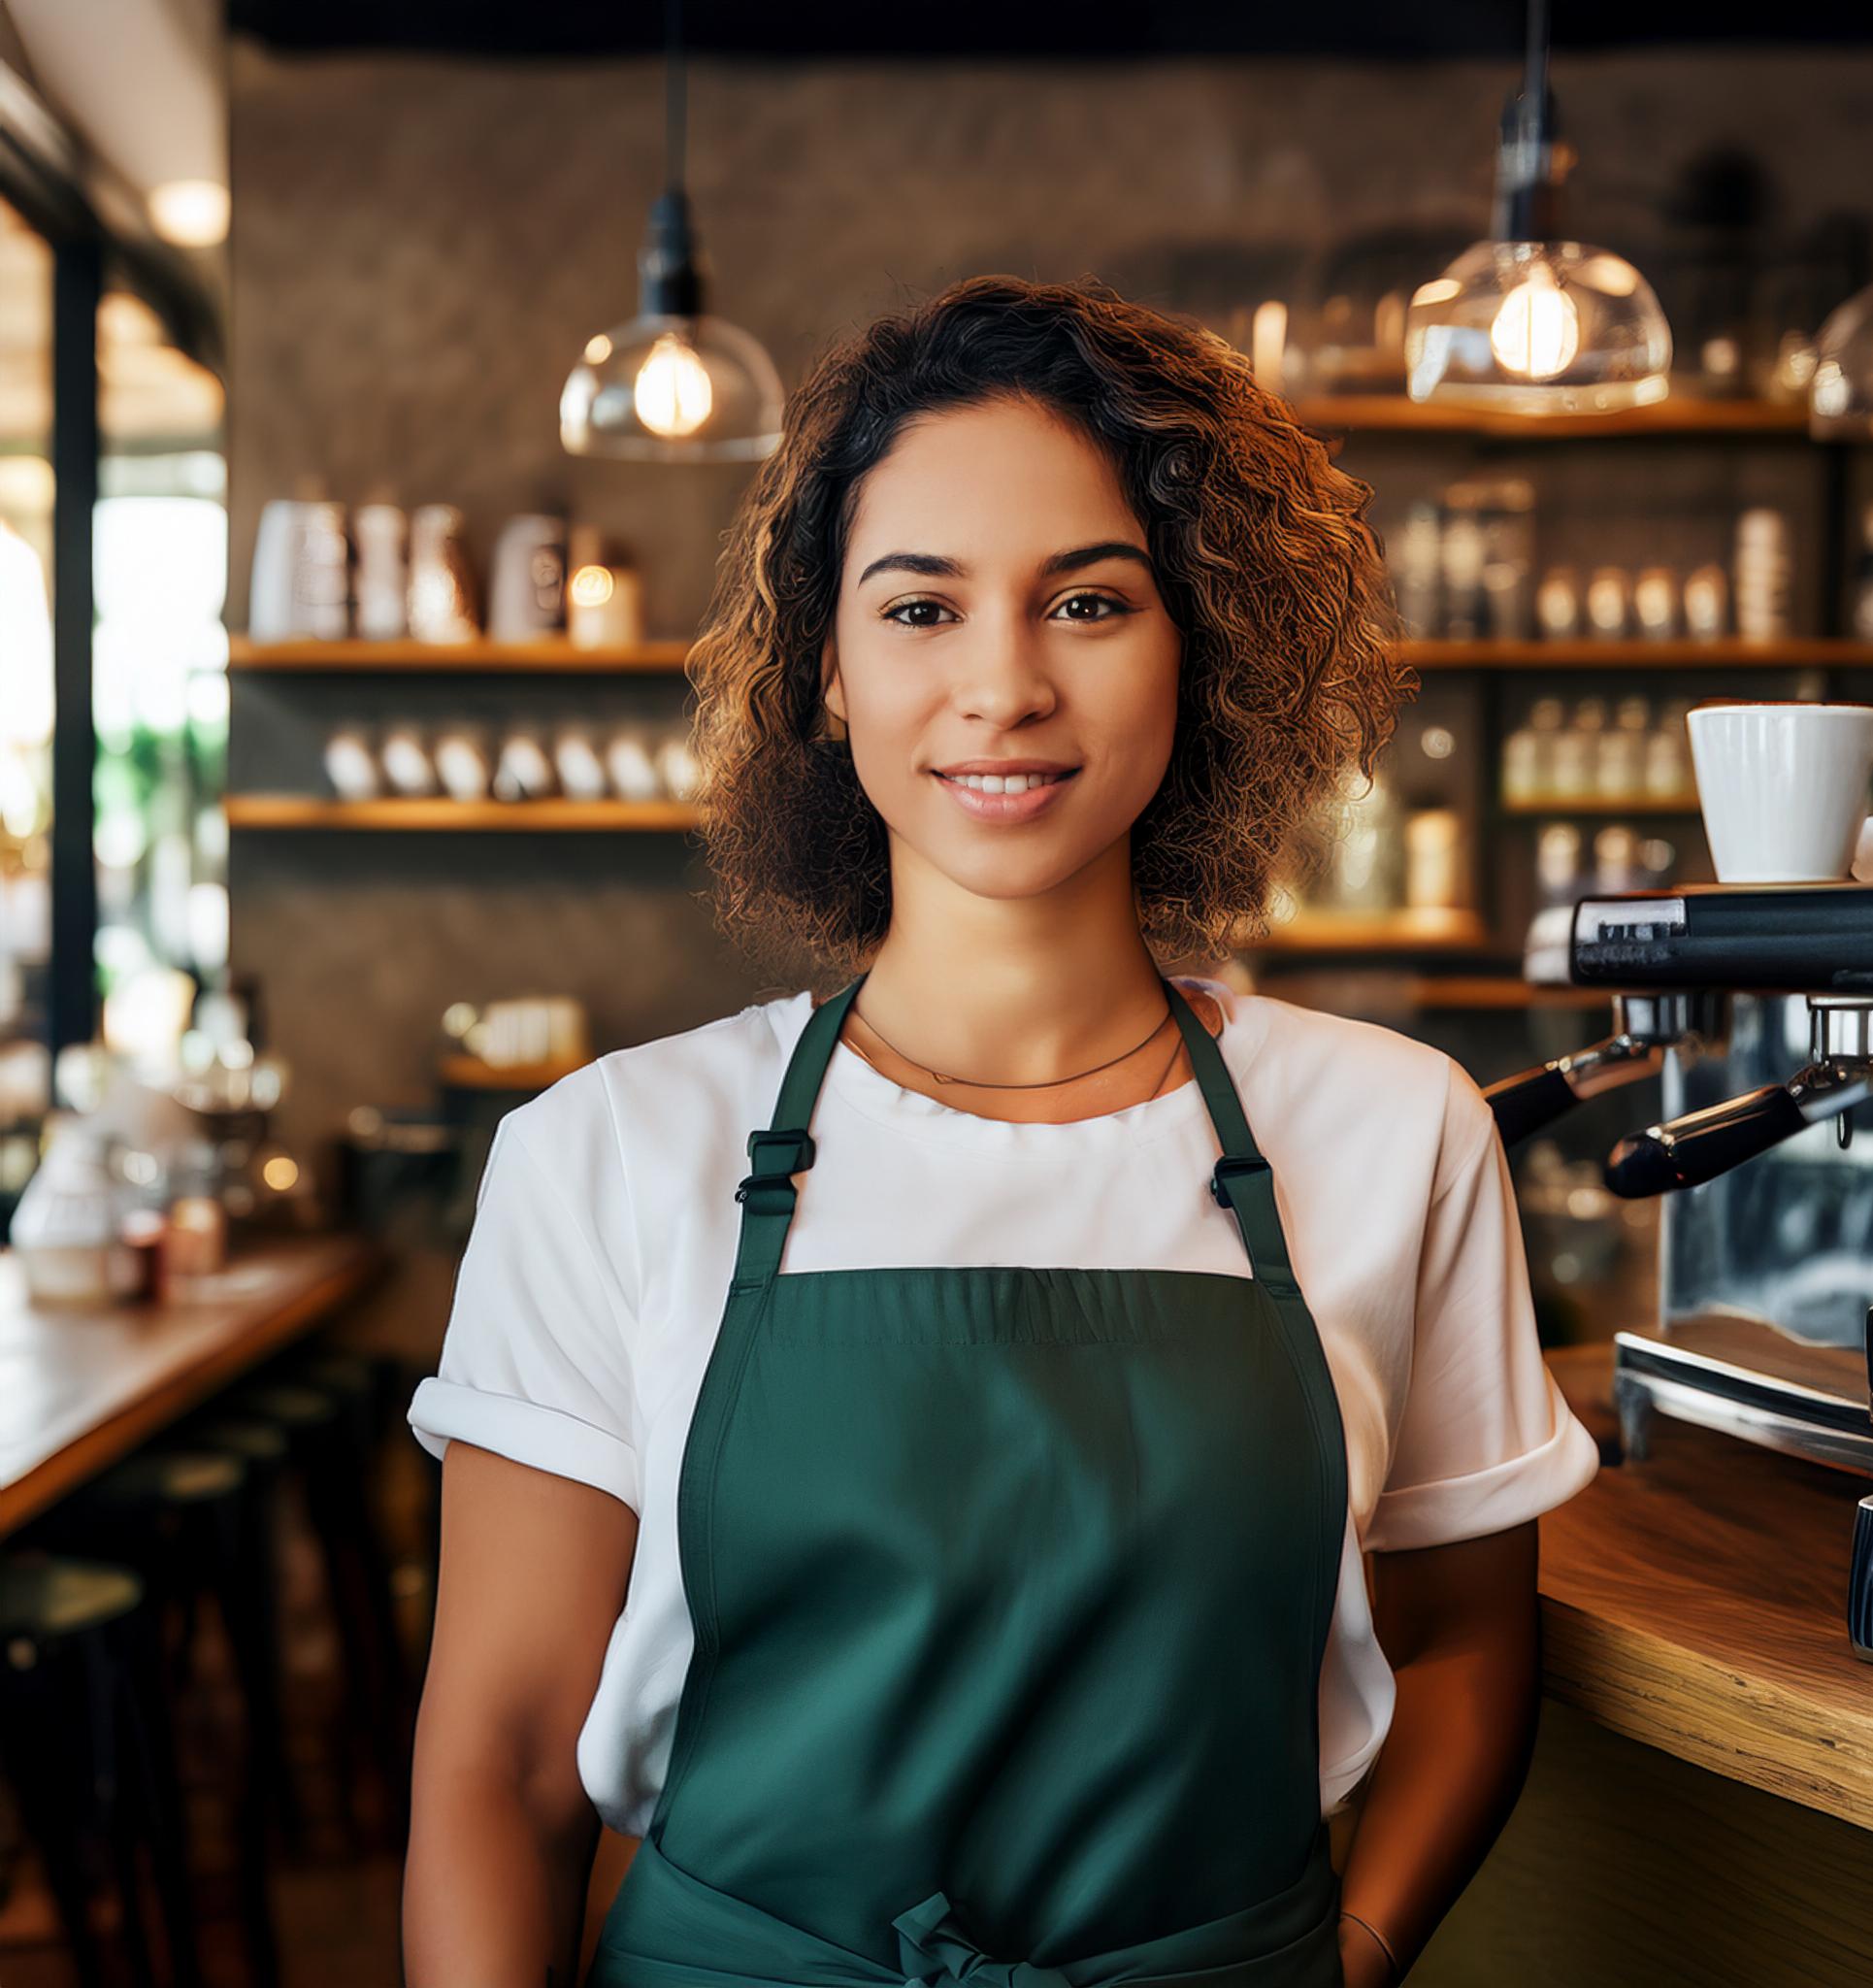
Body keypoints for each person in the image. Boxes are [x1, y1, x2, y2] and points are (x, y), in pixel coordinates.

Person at [401, 273, 1600, 1988]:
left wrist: (1349, 1949)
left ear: (1201, 651)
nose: (1005, 687)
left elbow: (1472, 1647)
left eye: (1090, 603)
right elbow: (502, 1765)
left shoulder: (1394, 1130)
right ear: (823, 673)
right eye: (919, 611)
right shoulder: (606, 1151)